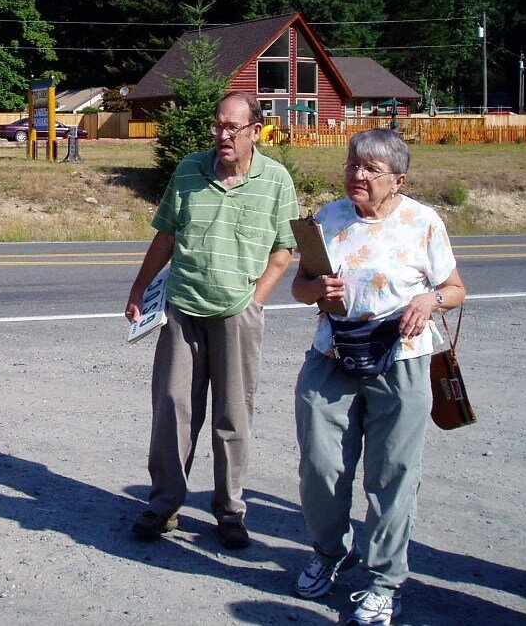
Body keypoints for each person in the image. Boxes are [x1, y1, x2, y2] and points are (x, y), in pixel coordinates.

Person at [290, 128, 466, 625]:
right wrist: (315, 288)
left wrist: (429, 299)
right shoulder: (328, 218)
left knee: (391, 475)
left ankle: (384, 582)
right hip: (333, 353)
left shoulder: (423, 222)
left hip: (402, 358)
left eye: (371, 169)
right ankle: (328, 554)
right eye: (352, 165)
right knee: (321, 466)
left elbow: (454, 289)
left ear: (399, 180)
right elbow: (301, 288)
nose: (357, 175)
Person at [125, 91, 298, 549]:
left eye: (232, 128)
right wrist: (140, 288)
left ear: (255, 132)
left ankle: (230, 510)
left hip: (238, 315)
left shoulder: (276, 180)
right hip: (181, 309)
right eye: (218, 126)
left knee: (232, 415)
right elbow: (166, 235)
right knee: (172, 409)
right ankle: (163, 505)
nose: (222, 135)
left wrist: (256, 300)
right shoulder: (188, 171)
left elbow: (284, 249)